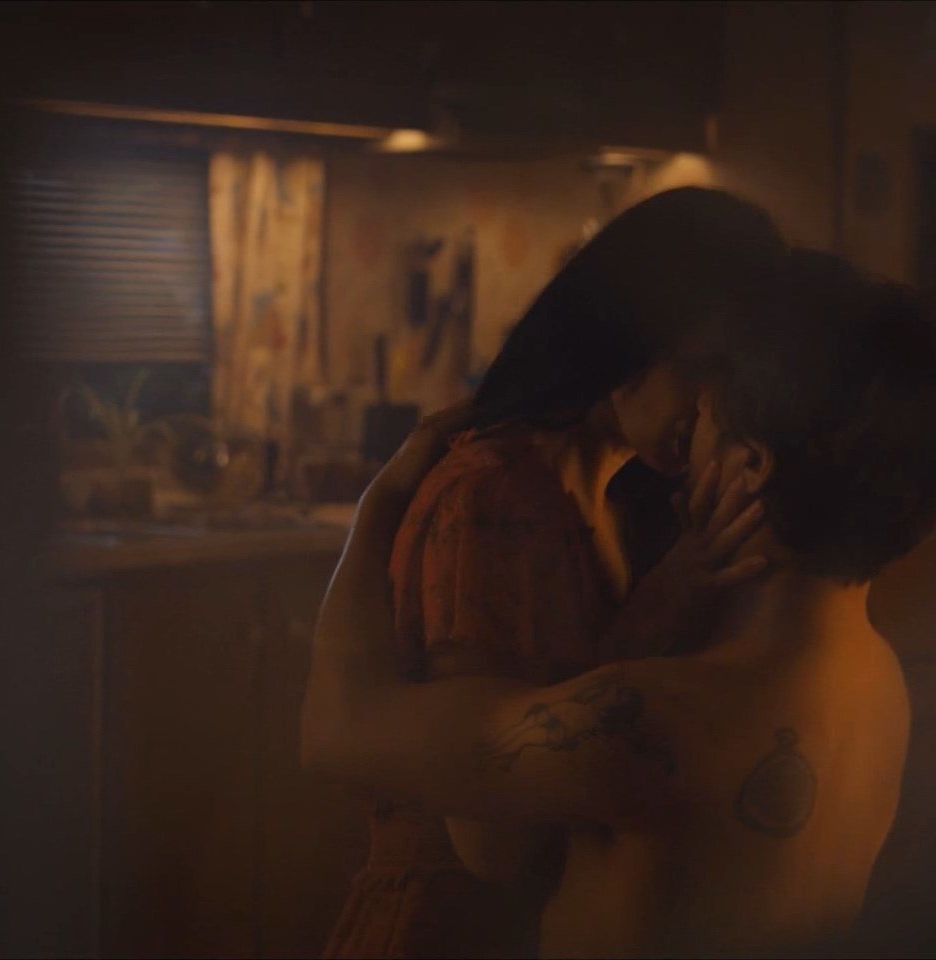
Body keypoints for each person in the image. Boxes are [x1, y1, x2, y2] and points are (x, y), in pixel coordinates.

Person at [304, 250, 936, 957]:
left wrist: (380, 501)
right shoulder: (881, 686)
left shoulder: (649, 723)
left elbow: (337, 730)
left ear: (750, 467)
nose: (687, 437)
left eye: (707, 416)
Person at [320, 187, 787, 959]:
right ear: (632, 334)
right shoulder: (496, 499)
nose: (714, 406)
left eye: (736, 379)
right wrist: (659, 610)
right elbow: (494, 841)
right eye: (704, 368)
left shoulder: (601, 496)